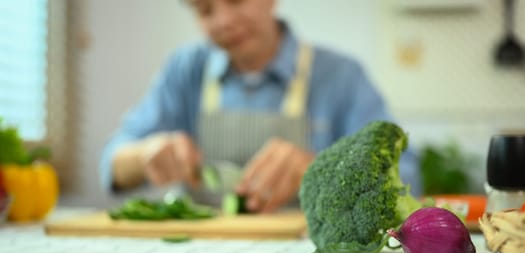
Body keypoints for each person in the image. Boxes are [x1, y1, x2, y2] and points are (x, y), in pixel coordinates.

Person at [100, 0, 421, 212]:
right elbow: (112, 163)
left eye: (237, 0)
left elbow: (407, 175)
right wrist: (145, 155)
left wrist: (321, 170)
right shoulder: (184, 71)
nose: (224, 20)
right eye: (205, 9)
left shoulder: (341, 77)